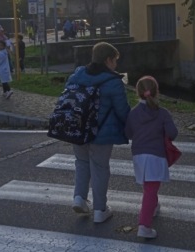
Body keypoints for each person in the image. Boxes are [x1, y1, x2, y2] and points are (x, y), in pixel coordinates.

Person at [70, 42, 130, 223]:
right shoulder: (113, 82)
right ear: (108, 60)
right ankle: (100, 209)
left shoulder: (77, 75)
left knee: (81, 163)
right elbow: (123, 111)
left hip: (77, 129)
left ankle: (79, 198)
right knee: (100, 168)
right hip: (101, 134)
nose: (116, 65)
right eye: (115, 61)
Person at [125, 75, 178, 239]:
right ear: (157, 92)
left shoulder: (133, 113)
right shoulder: (163, 113)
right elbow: (173, 134)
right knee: (150, 189)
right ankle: (144, 225)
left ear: (138, 93)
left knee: (149, 186)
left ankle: (153, 207)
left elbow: (127, 133)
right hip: (156, 155)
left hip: (139, 155)